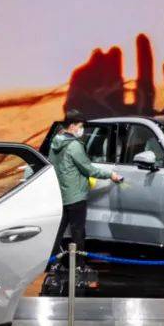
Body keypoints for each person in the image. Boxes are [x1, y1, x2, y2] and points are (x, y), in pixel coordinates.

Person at [47, 110, 122, 272]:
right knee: (78, 233)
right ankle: (79, 266)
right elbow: (88, 169)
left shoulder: (55, 143)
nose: (81, 130)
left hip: (60, 194)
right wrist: (110, 175)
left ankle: (53, 263)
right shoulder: (74, 145)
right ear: (72, 126)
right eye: (80, 126)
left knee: (58, 232)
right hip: (75, 196)